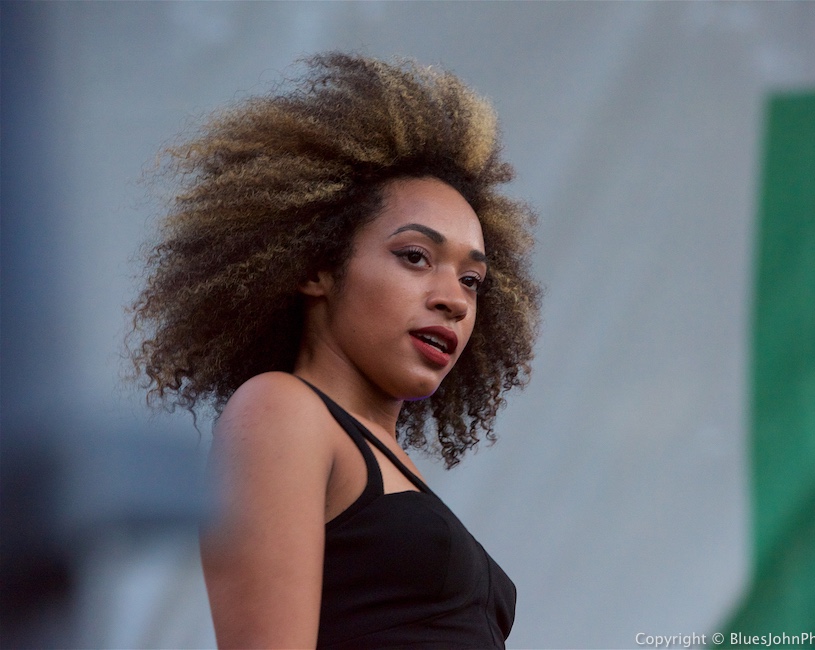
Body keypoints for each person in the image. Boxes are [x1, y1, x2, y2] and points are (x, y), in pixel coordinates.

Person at [129, 52, 541, 649]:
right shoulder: (281, 411)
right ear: (317, 266)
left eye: (472, 281)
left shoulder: (388, 460)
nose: (453, 300)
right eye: (415, 257)